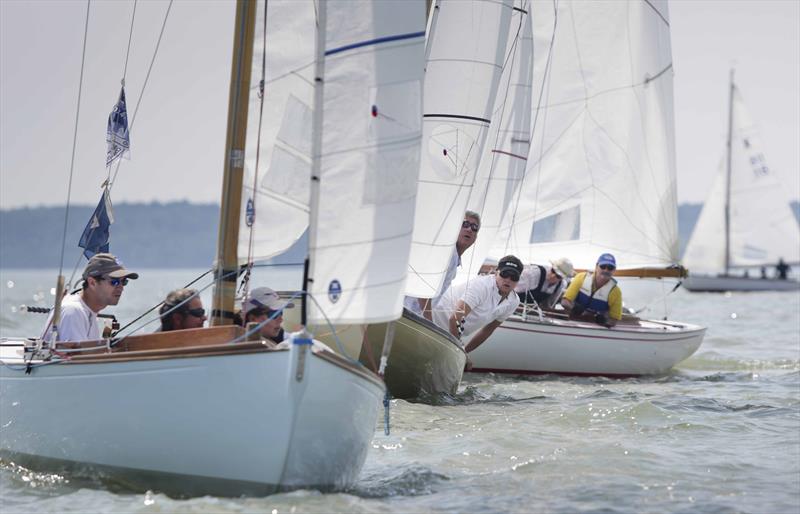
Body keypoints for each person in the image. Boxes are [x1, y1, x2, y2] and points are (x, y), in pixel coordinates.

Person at [433, 255, 522, 356]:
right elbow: (455, 318)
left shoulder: (514, 301)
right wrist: (458, 351)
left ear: (518, 280)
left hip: (449, 334)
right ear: (496, 273)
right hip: (431, 321)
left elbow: (488, 330)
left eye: (514, 277)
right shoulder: (481, 286)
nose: (508, 279)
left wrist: (465, 352)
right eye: (504, 274)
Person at [43, 253, 138, 342]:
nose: (121, 288)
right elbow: (76, 357)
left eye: (124, 282)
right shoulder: (73, 311)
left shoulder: (88, 312)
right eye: (115, 282)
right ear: (92, 283)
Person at [404, 211, 481, 321]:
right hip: (407, 314)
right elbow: (423, 287)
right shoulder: (448, 255)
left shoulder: (454, 257)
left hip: (410, 315)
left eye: (474, 227)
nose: (469, 229)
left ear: (475, 238)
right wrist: (429, 320)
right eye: (465, 224)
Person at [561, 253, 622, 328]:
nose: (606, 270)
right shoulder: (581, 278)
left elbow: (614, 320)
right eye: (603, 266)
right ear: (596, 266)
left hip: (595, 328)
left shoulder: (616, 292)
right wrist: (574, 308)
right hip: (572, 321)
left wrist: (604, 320)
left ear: (614, 270)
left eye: (610, 268)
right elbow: (565, 301)